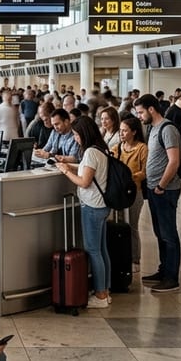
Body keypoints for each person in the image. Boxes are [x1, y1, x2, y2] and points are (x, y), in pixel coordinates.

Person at [56, 117, 112, 308]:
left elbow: (84, 182)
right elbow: (88, 170)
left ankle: (100, 295)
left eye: (76, 135)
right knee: (102, 250)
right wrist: (69, 165)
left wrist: (65, 171)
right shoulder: (100, 149)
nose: (75, 139)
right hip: (103, 205)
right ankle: (106, 289)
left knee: (93, 251)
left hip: (92, 206)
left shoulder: (89, 152)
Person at [135, 94, 181, 294]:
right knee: (159, 232)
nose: (139, 116)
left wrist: (162, 185)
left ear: (151, 109)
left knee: (169, 233)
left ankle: (172, 277)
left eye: (140, 112)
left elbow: (174, 161)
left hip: (165, 190)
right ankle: (164, 271)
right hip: (154, 189)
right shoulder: (153, 128)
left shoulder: (167, 129)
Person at [115, 115, 149, 274]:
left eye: (125, 131)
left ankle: (135, 259)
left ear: (134, 132)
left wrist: (130, 178)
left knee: (132, 226)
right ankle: (122, 256)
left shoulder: (142, 148)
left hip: (134, 192)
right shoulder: (117, 148)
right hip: (118, 193)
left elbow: (145, 172)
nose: (121, 133)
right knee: (120, 224)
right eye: (120, 130)